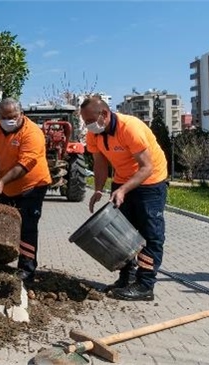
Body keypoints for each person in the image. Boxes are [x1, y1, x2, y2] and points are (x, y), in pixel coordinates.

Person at [81, 96, 168, 301]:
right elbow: (100, 163)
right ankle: (126, 279)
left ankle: (145, 286)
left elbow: (147, 167)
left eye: (89, 121)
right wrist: (99, 189)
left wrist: (123, 190)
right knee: (122, 230)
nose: (87, 126)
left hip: (151, 181)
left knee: (150, 233)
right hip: (122, 179)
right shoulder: (95, 135)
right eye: (84, 121)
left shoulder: (130, 128)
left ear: (104, 114)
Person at [0, 98, 52, 282]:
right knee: (1, 223)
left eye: (13, 116)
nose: (8, 120)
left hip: (32, 185)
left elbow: (24, 166)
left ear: (21, 115)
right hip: (7, 187)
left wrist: (1, 182)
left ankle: (26, 269)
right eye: (4, 117)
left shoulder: (32, 133)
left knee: (27, 226)